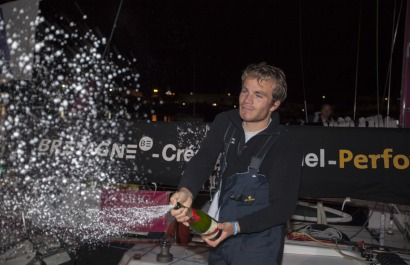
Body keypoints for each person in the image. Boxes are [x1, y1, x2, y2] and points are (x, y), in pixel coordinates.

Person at [169, 62, 302, 265]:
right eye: (244, 91)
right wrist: (187, 191)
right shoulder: (225, 121)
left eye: (259, 95)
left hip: (259, 245)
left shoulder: (284, 143)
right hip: (219, 235)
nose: (247, 101)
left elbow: (284, 207)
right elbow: (204, 158)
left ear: (274, 105)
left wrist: (235, 227)